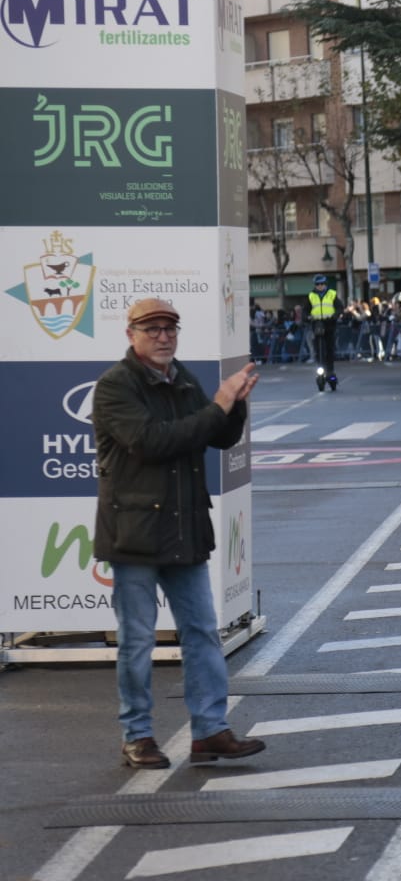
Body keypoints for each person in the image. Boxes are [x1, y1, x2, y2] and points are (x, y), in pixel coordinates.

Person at [93, 298, 265, 769]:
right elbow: (152, 443)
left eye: (170, 328)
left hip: (183, 527)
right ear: (131, 334)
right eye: (152, 329)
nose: (163, 336)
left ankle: (209, 731)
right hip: (133, 532)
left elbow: (218, 436)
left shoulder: (182, 378)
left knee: (202, 633)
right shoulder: (115, 386)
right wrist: (220, 404)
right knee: (137, 640)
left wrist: (235, 405)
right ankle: (137, 735)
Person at [308, 274, 339, 390]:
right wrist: (306, 317)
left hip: (329, 325)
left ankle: (330, 370)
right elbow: (306, 309)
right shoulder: (311, 296)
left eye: (322, 284)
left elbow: (339, 307)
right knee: (318, 349)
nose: (320, 286)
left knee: (329, 349)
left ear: (325, 284)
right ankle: (320, 369)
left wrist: (335, 315)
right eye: (317, 284)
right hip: (317, 325)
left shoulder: (332, 294)